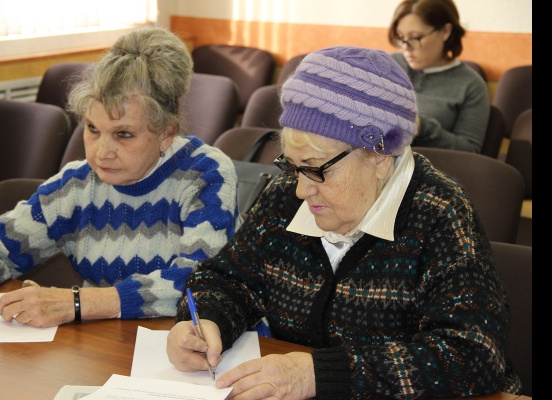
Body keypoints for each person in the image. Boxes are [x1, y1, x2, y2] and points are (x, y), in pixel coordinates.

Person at [166, 46, 522, 399]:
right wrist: (207, 320)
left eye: (316, 169)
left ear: (379, 157)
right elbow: (228, 279)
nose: (301, 189)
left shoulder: (441, 213)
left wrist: (320, 375)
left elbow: (473, 354)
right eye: (292, 165)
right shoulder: (285, 195)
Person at [0, 26, 240, 328]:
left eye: (123, 134)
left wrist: (78, 302)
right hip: (107, 345)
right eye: (93, 129)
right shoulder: (79, 184)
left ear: (166, 133)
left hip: (190, 346)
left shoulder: (207, 174)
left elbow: (199, 283)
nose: (102, 152)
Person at [388, 0, 490, 153]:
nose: (406, 47)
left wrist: (422, 127)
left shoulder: (471, 84)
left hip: (426, 165)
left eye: (416, 37)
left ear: (445, 32)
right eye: (401, 37)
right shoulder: (388, 65)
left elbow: (470, 151)